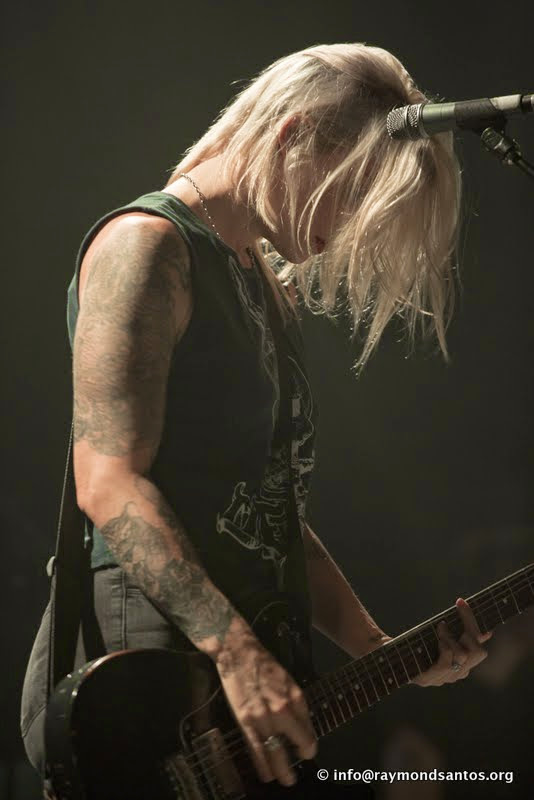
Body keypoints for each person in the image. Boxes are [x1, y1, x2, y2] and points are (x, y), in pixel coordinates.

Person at [20, 42, 492, 798]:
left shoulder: (267, 287)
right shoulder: (148, 247)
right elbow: (107, 482)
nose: (352, 225)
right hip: (144, 686)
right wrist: (236, 654)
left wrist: (382, 649)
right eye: (351, 193)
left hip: (244, 677)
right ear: (293, 136)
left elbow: (272, 514)